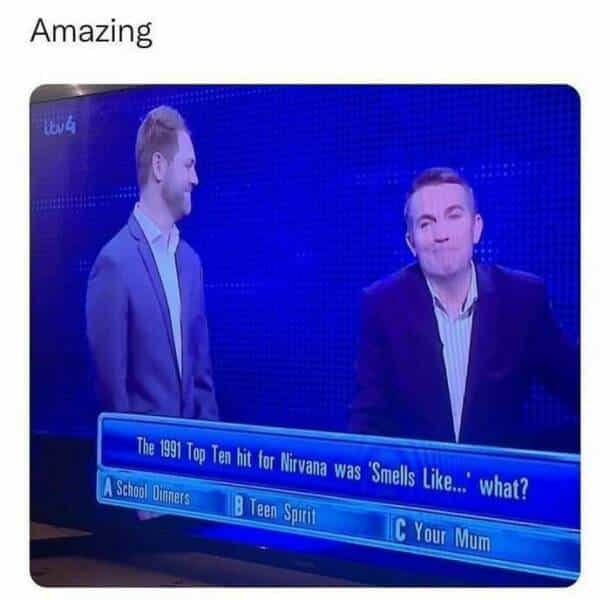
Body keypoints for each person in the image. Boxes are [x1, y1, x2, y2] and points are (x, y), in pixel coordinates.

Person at [349, 167, 578, 450]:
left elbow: (577, 388)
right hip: (417, 474)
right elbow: (367, 418)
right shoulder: (382, 304)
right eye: (426, 223)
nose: (441, 234)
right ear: (411, 243)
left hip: (496, 475)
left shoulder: (523, 298)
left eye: (454, 216)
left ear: (476, 228)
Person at [86, 105, 218, 422]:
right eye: (188, 166)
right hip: (141, 453)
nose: (195, 179)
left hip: (190, 452)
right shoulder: (114, 264)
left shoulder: (191, 264)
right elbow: (112, 399)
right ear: (159, 166)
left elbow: (202, 383)